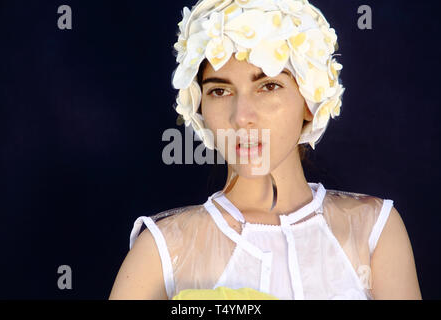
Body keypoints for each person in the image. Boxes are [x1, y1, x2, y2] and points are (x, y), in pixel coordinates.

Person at [109, 0, 421, 300]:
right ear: (200, 106)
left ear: (310, 100)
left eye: (268, 86)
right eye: (219, 90)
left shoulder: (374, 232)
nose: (241, 116)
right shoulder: (163, 250)